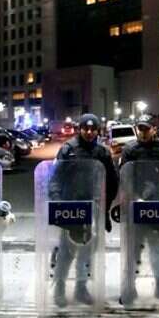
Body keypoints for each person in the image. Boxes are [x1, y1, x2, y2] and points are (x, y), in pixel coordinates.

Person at [49, 113, 119, 307]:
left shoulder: (102, 152)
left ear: (97, 131)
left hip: (93, 207)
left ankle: (81, 289)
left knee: (87, 252)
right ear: (79, 129)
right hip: (71, 207)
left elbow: (112, 181)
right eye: (85, 129)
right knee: (66, 251)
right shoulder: (68, 149)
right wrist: (57, 202)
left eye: (93, 129)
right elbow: (55, 178)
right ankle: (59, 288)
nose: (89, 132)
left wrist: (105, 209)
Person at [119, 114, 159, 304]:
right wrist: (134, 197)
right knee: (133, 250)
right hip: (137, 205)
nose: (143, 132)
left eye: (146, 128)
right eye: (140, 128)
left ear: (154, 129)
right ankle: (129, 288)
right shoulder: (130, 149)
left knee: (158, 249)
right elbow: (125, 178)